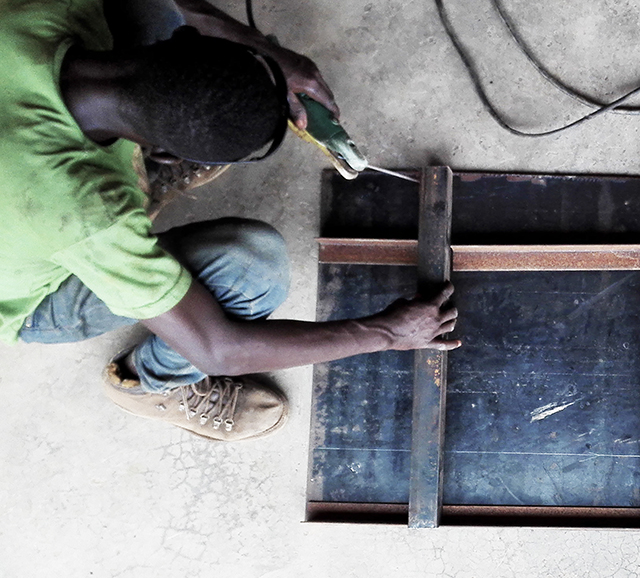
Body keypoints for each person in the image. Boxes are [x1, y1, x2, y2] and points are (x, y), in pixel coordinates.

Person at [1, 0, 459, 442]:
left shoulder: (39, 11)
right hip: (23, 292)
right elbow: (218, 349)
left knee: (154, 10)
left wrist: (268, 57)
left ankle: (152, 142)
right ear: (164, 155)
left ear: (184, 40)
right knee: (253, 267)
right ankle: (151, 383)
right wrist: (386, 333)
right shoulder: (93, 216)